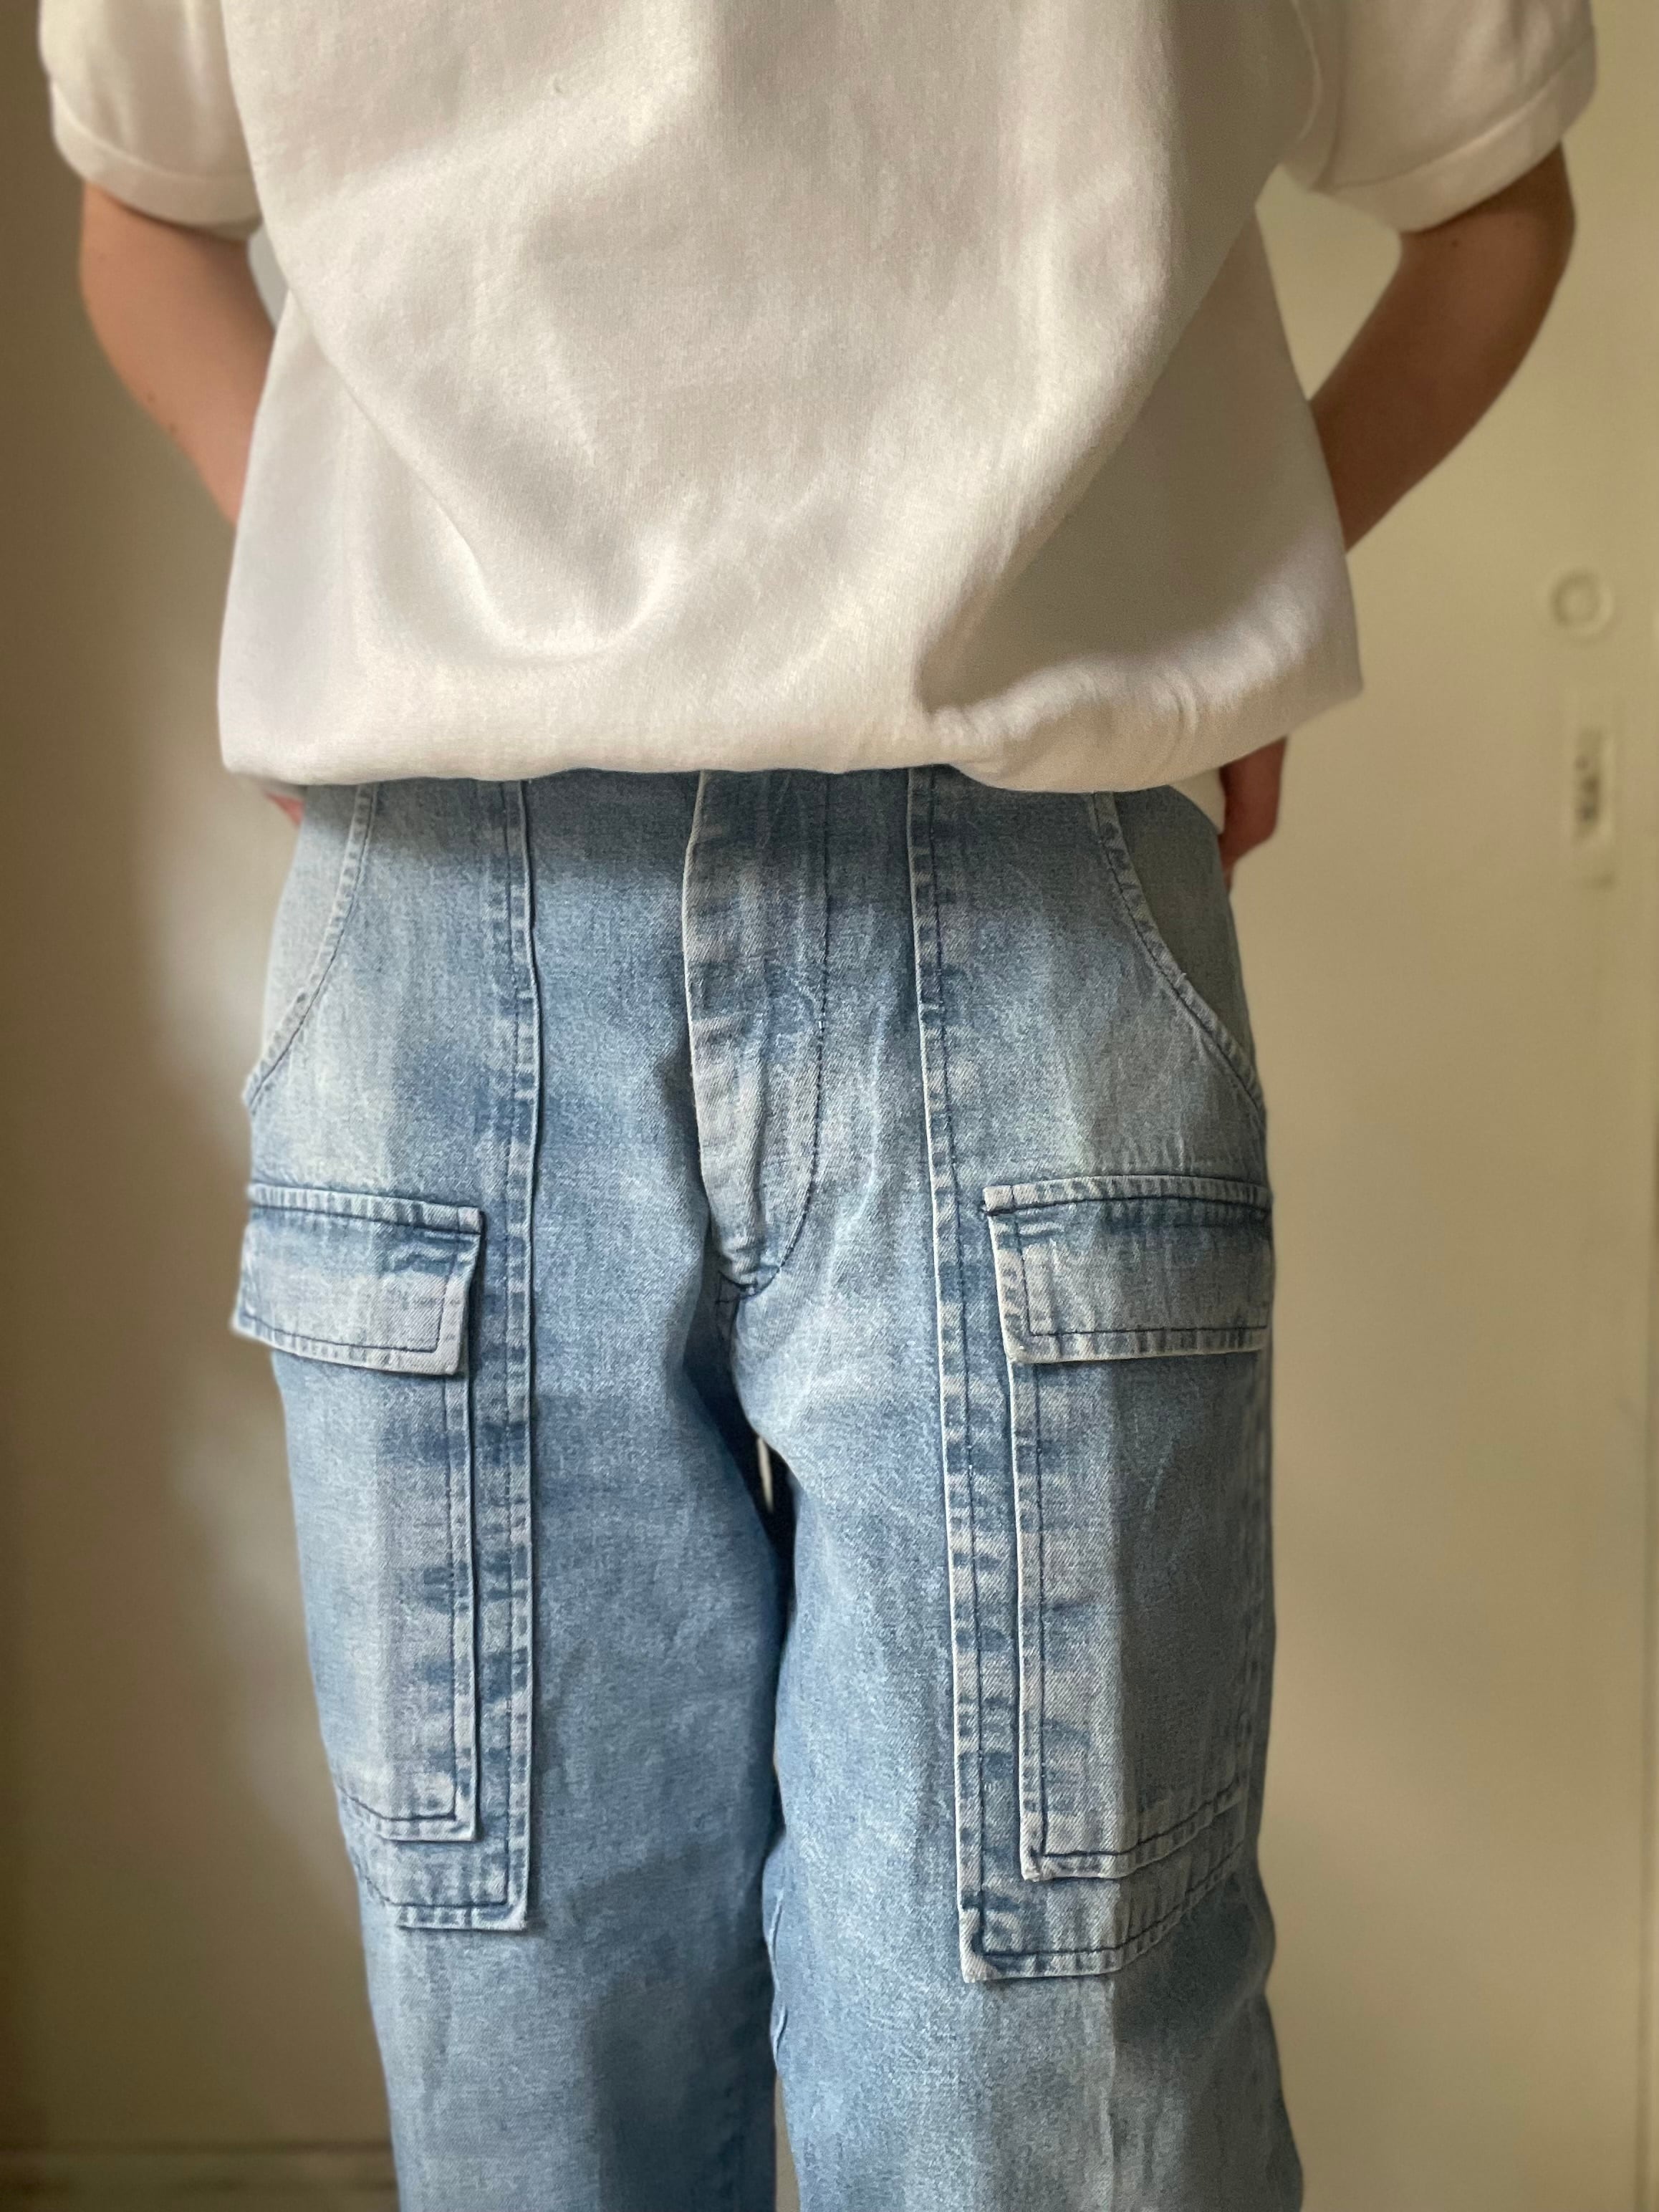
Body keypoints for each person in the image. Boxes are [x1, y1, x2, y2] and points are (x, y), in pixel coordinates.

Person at [39, 2, 1589, 2205]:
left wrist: (1246, 576)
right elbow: (1494, 204)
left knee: (939, 2079)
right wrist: (1227, 571)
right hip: (563, 930)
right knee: (667, 2072)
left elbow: (142, 212)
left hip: (845, 908)